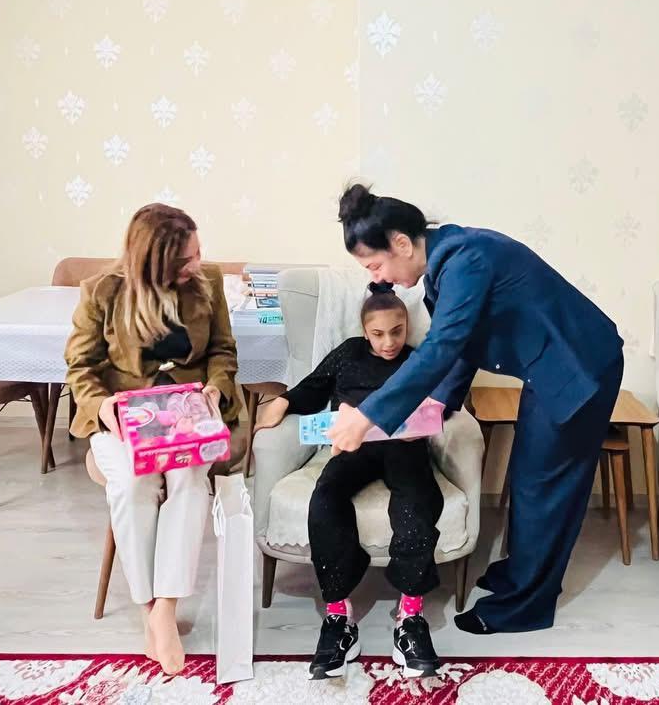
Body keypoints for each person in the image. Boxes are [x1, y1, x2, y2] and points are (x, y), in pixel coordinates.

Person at [320, 184, 624, 634]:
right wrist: (435, 406)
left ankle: (525, 606)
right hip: (550, 365)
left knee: (546, 487)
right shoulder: (446, 265)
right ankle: (520, 574)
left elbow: (442, 346)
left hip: (580, 366)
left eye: (376, 265)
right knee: (528, 477)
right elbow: (464, 345)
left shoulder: (467, 260)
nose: (380, 279)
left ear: (401, 243)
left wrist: (367, 416)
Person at [64, 204, 241, 675]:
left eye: (198, 253)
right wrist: (103, 407)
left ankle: (165, 607)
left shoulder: (208, 281)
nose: (196, 265)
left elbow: (222, 350)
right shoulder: (102, 292)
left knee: (188, 479)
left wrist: (215, 388)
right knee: (133, 483)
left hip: (187, 416)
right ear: (151, 261)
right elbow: (80, 367)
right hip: (125, 417)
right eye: (184, 260)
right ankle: (149, 609)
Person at [256, 284, 443, 680]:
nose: (389, 342)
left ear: (407, 326)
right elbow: (314, 386)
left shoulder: (416, 360)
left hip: (403, 448)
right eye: (378, 333)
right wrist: (282, 402)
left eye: (397, 331)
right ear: (364, 331)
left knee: (417, 502)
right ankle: (339, 616)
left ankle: (410, 616)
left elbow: (440, 402)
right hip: (352, 448)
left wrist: (425, 423)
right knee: (325, 498)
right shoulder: (348, 354)